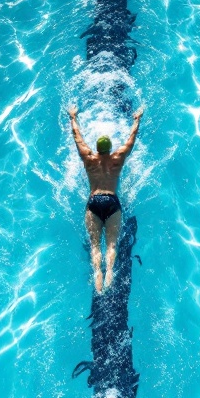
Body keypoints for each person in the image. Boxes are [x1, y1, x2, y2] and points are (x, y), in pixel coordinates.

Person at [68, 105, 144, 293]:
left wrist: (73, 117)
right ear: (110, 149)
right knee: (111, 244)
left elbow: (77, 137)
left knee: (95, 246)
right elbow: (131, 140)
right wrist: (137, 120)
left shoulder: (88, 158)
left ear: (96, 148)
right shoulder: (118, 157)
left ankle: (98, 274)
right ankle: (109, 270)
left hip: (94, 202)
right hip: (112, 202)